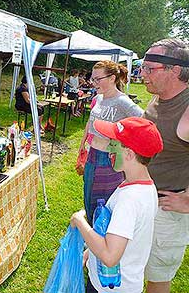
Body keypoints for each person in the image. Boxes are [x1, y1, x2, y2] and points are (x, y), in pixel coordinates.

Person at [71, 117, 163, 293]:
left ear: (129, 154)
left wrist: (80, 221)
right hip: (118, 283)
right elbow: (118, 236)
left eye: (114, 143)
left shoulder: (130, 199)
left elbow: (110, 256)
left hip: (110, 288)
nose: (109, 148)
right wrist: (90, 253)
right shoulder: (144, 186)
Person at [140, 38, 189, 293]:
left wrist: (188, 200)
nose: (143, 74)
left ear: (175, 70)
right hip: (142, 200)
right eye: (142, 67)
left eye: (150, 68)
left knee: (157, 279)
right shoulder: (158, 97)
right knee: (131, 268)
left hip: (167, 211)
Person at [78, 60, 143, 225]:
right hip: (92, 155)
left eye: (98, 79)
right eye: (93, 79)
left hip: (109, 159)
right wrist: (82, 144)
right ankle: (93, 233)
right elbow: (90, 122)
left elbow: (143, 122)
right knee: (89, 194)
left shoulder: (123, 102)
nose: (93, 83)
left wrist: (124, 142)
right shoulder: (98, 98)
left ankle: (102, 236)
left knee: (104, 200)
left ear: (113, 78)